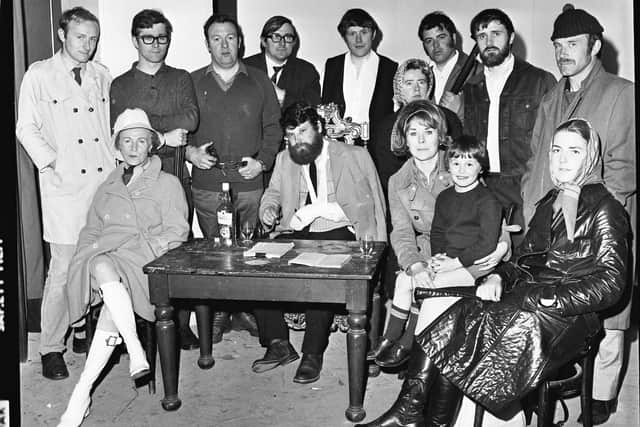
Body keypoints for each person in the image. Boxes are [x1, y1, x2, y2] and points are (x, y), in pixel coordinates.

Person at [357, 118, 630, 427]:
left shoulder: (606, 208)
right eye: (556, 150)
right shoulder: (549, 204)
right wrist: (499, 276)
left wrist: (545, 298)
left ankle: (433, 416)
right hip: (531, 299)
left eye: (574, 151)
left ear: (590, 155)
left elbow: (611, 284)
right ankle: (416, 411)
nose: (563, 159)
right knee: (455, 317)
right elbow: (524, 261)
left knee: (471, 330)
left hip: (572, 315)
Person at [521, 6, 636, 424]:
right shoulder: (552, 96)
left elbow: (626, 167)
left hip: (598, 220)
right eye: (557, 45)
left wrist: (592, 215)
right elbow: (537, 161)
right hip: (548, 221)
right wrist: (534, 211)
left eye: (572, 44)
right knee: (546, 305)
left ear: (595, 46)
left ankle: (602, 393)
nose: (563, 53)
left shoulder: (622, 93)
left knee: (607, 318)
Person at [57, 108, 189, 427]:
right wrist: (83, 254)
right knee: (100, 262)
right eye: (126, 141)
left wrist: (150, 249)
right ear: (118, 147)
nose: (133, 148)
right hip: (109, 258)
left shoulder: (168, 183)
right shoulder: (107, 186)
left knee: (111, 287)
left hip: (145, 261)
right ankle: (134, 349)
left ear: (151, 145)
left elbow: (177, 231)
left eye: (140, 141)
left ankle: (81, 393)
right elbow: (91, 229)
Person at [251, 102, 386, 384]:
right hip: (296, 230)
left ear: (320, 128)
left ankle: (313, 353)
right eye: (291, 135)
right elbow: (273, 192)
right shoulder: (284, 159)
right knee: (257, 263)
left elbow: (369, 205)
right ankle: (278, 342)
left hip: (341, 229)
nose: (296, 141)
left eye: (302, 132)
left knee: (318, 271)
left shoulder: (354, 156)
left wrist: (316, 211)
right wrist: (268, 208)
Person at [16, 6, 115, 380]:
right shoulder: (39, 75)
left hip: (102, 185)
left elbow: (108, 130)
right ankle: (50, 347)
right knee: (62, 269)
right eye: (80, 37)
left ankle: (81, 327)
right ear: (62, 34)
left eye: (93, 39)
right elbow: (25, 128)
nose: (87, 45)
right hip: (65, 187)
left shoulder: (102, 75)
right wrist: (52, 163)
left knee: (99, 261)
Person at [369, 100, 506, 368]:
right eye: (413, 133)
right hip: (427, 251)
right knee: (406, 279)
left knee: (421, 286)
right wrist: (417, 265)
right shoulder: (398, 181)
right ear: (404, 139)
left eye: (428, 132)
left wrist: (501, 249)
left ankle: (409, 344)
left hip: (467, 252)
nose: (421, 140)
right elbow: (402, 232)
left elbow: (488, 218)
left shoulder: (459, 163)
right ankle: (397, 341)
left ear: (440, 135)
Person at [188, 14, 283, 342]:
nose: (224, 45)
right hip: (208, 184)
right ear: (207, 44)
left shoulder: (258, 80)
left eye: (230, 37)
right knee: (214, 251)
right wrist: (191, 153)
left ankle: (245, 309)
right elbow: (180, 131)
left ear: (240, 41)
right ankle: (219, 312)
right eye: (217, 38)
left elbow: (273, 128)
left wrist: (262, 162)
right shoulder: (193, 82)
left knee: (249, 250)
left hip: (249, 183)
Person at [109, 8, 200, 351]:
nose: (156, 45)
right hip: (135, 180)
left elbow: (190, 118)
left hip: (174, 176)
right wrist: (162, 134)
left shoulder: (180, 78)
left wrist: (144, 124)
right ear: (135, 40)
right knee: (135, 249)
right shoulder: (120, 84)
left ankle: (180, 324)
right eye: (148, 38)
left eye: (162, 38)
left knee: (178, 249)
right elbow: (118, 129)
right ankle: (138, 322)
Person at [462, 8, 556, 247]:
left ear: (511, 37)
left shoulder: (539, 80)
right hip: (482, 185)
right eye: (482, 36)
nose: (489, 41)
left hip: (525, 186)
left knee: (526, 258)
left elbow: (553, 140)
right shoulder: (472, 86)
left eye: (496, 33)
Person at [321, 8, 397, 151]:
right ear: (345, 37)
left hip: (376, 147)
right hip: (337, 145)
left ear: (373, 34)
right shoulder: (332, 66)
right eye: (352, 33)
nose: (358, 39)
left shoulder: (390, 68)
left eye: (364, 32)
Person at [244, 15, 321, 112]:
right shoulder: (245, 67)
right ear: (264, 41)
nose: (282, 43)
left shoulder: (307, 71)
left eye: (288, 37)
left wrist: (283, 96)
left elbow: (314, 109)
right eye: (276, 37)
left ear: (294, 42)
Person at [418, 11, 482, 119]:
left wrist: (460, 110)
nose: (436, 45)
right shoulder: (420, 75)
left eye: (441, 37)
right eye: (429, 41)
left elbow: (489, 119)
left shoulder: (478, 71)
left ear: (453, 37)